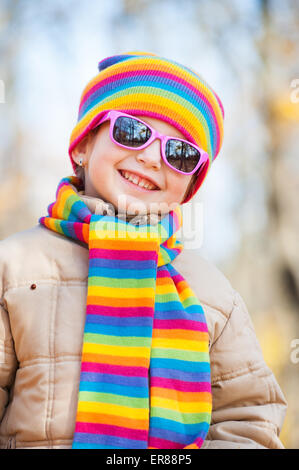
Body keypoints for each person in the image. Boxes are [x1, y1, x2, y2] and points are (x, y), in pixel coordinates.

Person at [0, 52, 287, 449]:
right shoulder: (15, 269)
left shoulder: (215, 295)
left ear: (190, 186)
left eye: (180, 153)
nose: (152, 158)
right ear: (83, 145)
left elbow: (248, 419)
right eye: (132, 132)